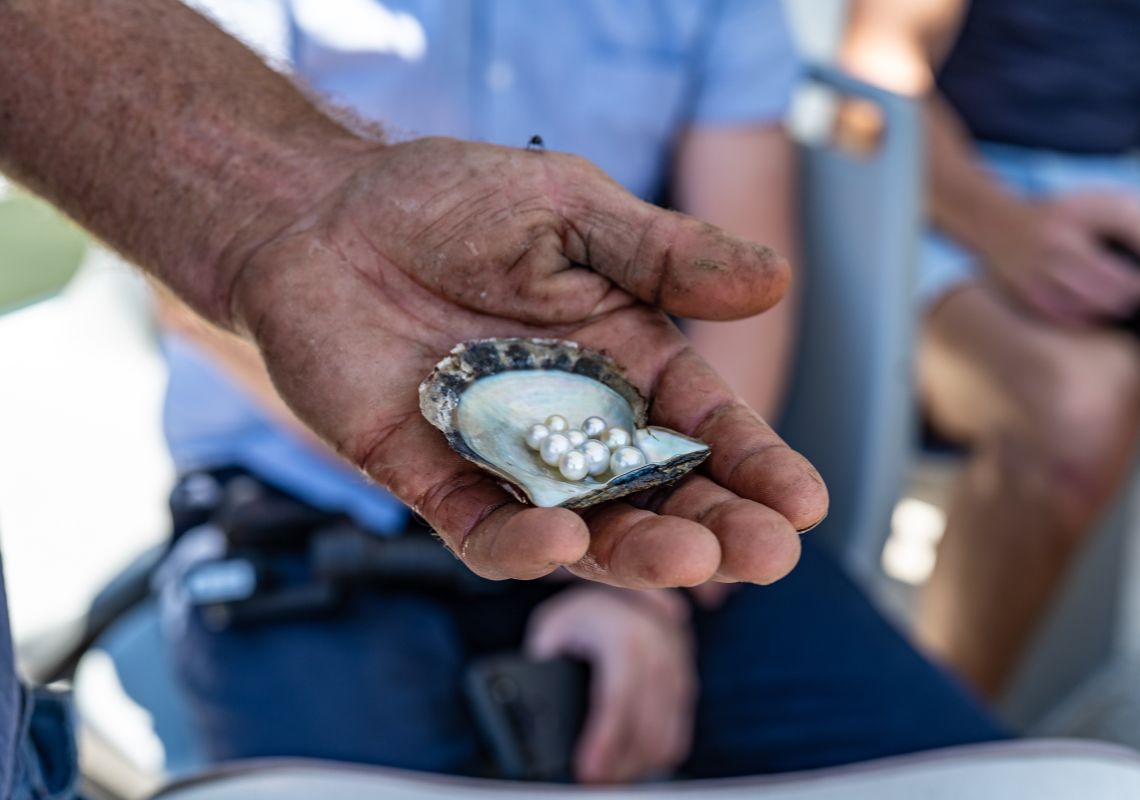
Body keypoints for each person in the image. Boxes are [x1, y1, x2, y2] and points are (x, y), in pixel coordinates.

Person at [152, 0, 1003, 786]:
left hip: (622, 483)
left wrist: (637, 590)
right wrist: (468, 455)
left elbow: (741, 289)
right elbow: (190, 282)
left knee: (976, 782)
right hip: (306, 509)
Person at [844, 0, 1140, 698]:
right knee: (1075, 408)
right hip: (943, 196)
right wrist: (1005, 227)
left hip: (1120, 200)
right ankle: (946, 734)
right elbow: (875, 84)